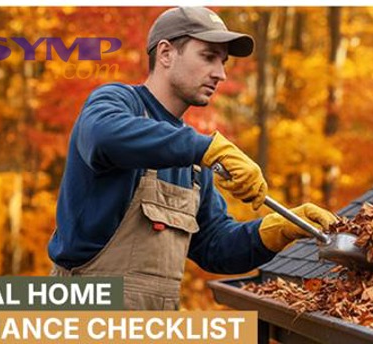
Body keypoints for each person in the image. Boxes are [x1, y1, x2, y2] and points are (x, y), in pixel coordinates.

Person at [47, 7, 337, 310]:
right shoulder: (116, 103)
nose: (220, 74)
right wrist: (206, 148)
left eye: (222, 62)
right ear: (166, 53)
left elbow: (215, 247)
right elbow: (103, 136)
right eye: (208, 56)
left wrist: (276, 230)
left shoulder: (195, 161)